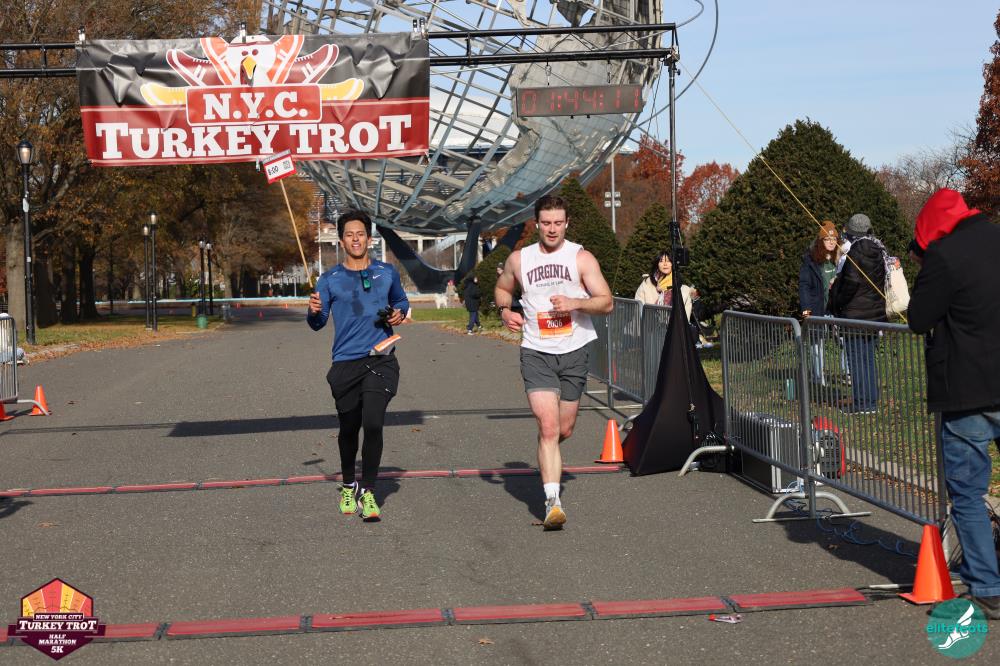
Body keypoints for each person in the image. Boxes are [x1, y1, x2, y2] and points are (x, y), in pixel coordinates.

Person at [907, 189, 1000, 620]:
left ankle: (988, 587)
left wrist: (926, 270)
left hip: (968, 390)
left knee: (967, 493)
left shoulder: (944, 256)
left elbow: (918, 318)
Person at [495, 194, 613, 530]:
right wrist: (505, 311)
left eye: (558, 223)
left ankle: (547, 453)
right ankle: (552, 502)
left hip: (574, 350)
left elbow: (606, 302)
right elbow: (502, 289)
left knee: (564, 429)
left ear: (567, 223)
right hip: (536, 351)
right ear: (536, 224)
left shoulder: (581, 257)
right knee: (548, 427)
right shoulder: (520, 259)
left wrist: (575, 303)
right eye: (546, 223)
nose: (552, 229)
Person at [307, 209, 408, 522]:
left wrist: (398, 314)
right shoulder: (330, 280)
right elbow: (317, 323)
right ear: (341, 241)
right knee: (349, 429)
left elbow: (401, 302)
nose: (355, 239)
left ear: (369, 239)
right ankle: (349, 485)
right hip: (345, 363)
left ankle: (369, 491)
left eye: (360, 234)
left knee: (374, 423)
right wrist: (313, 311)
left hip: (381, 358)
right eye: (349, 235)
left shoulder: (387, 272)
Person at [829, 213, 889, 414]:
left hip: (855, 315)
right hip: (873, 314)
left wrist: (837, 301)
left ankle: (863, 402)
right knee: (868, 358)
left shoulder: (856, 251)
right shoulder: (878, 250)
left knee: (857, 359)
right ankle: (870, 400)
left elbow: (851, 283)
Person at [798, 222, 841, 386]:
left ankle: (848, 373)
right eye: (827, 239)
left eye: (834, 239)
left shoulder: (839, 259)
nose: (831, 242)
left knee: (844, 341)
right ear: (821, 241)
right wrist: (806, 312)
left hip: (835, 309)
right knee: (817, 345)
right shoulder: (811, 261)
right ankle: (818, 378)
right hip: (817, 309)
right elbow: (804, 287)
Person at [633, 250, 694, 321]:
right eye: (661, 261)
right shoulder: (647, 283)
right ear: (657, 264)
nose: (665, 264)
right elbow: (638, 308)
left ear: (673, 264)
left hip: (673, 327)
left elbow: (685, 317)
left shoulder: (684, 290)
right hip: (647, 325)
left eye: (668, 261)